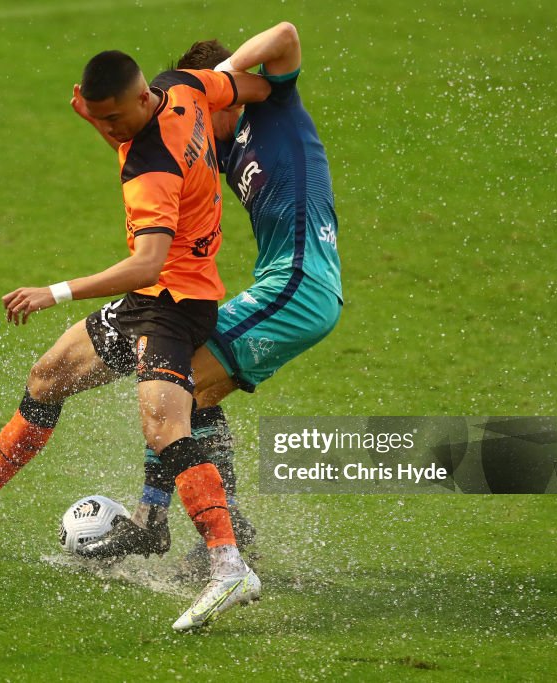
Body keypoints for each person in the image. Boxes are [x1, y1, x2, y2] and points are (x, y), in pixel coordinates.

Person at [0, 49, 271, 631]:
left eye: (114, 121)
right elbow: (252, 86)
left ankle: (228, 567)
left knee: (164, 427)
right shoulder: (185, 88)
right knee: (46, 377)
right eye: (97, 120)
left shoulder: (150, 167)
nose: (108, 131)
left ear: (141, 99)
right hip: (150, 303)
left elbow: (147, 264)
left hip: (173, 307)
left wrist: (54, 291)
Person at [75, 23, 344, 573]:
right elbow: (156, 150)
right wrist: (99, 123)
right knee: (189, 390)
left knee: (180, 389)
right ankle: (223, 527)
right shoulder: (217, 145)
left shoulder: (278, 108)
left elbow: (289, 34)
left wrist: (221, 76)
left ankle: (171, 527)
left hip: (300, 285)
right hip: (286, 284)